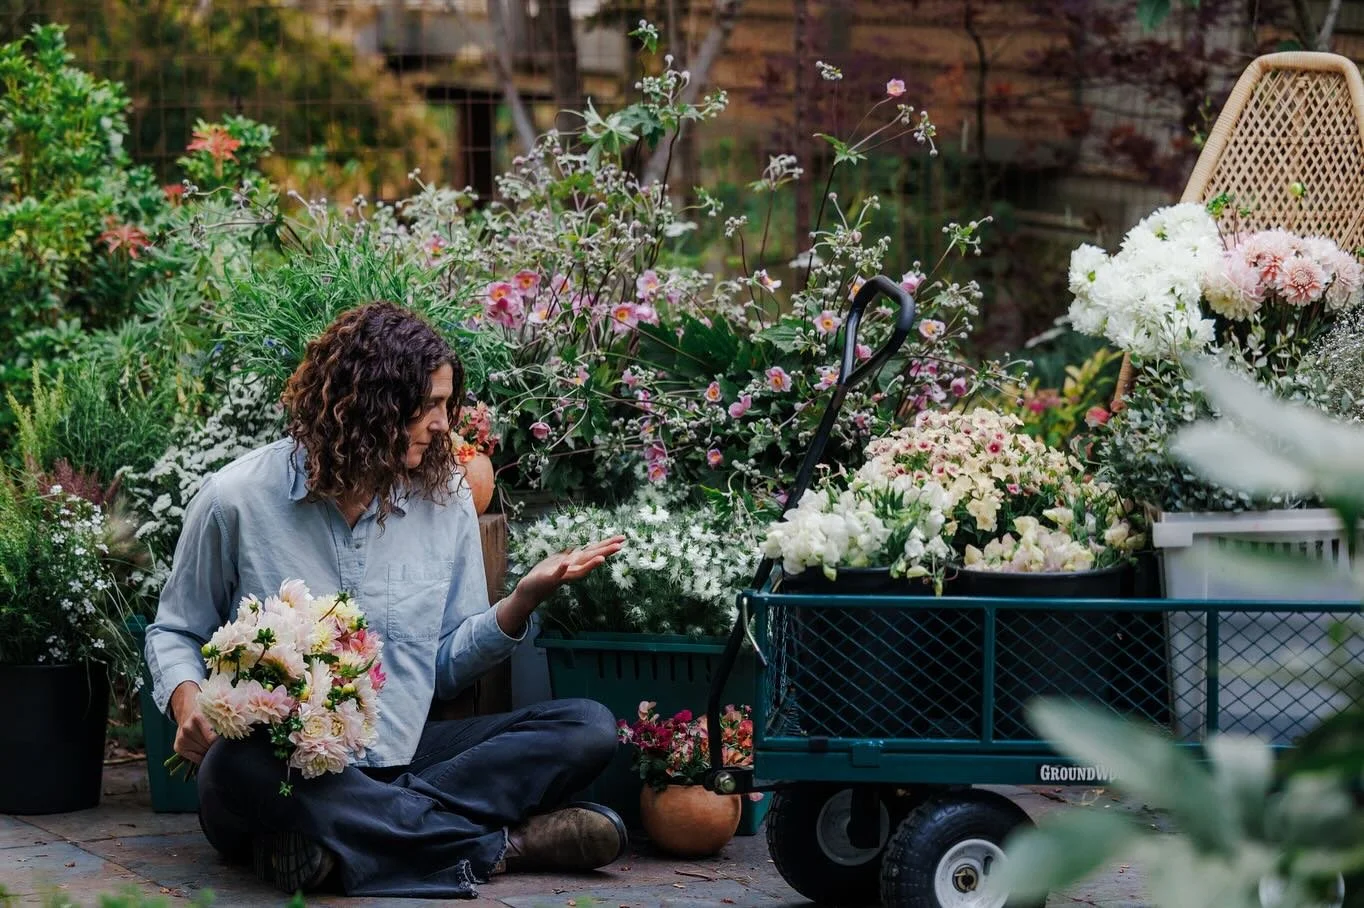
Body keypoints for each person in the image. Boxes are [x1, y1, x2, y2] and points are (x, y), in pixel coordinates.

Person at [143, 301, 628, 898]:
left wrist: (521, 601)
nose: (445, 424)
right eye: (427, 405)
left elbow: (444, 666)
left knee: (587, 726)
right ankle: (501, 847)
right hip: (284, 770)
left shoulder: (444, 497)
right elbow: (174, 631)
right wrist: (188, 700)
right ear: (366, 404)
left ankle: (342, 840)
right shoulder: (234, 500)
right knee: (232, 765)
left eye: (446, 404)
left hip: (404, 757)